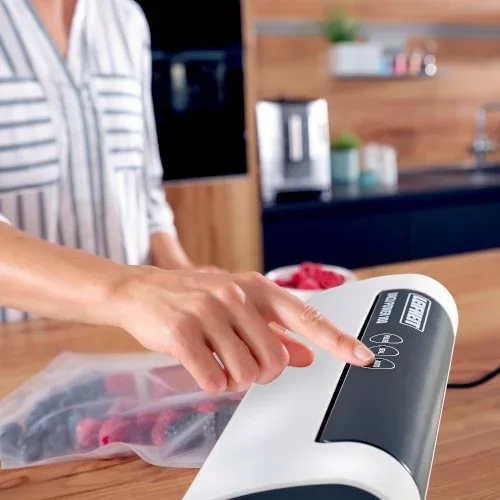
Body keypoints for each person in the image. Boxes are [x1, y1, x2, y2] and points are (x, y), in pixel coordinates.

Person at [0, 0, 374, 393]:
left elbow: (144, 189)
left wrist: (184, 278)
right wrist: (129, 290)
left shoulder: (125, 18)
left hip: (128, 349)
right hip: (17, 357)